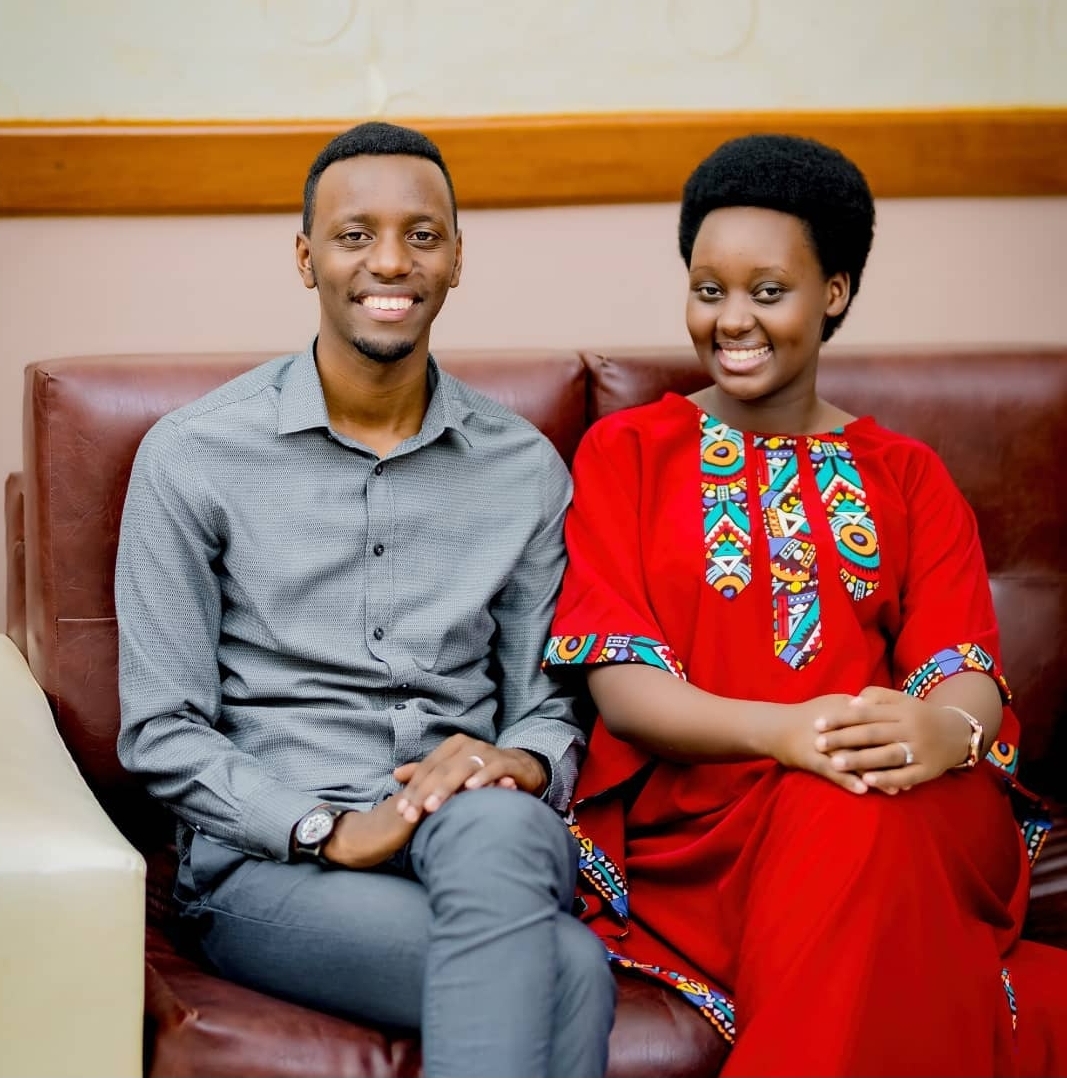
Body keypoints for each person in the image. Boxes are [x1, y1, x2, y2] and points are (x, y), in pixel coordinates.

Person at [543, 133, 1067, 1076]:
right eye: (709, 290)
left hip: (902, 795)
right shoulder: (628, 453)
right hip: (710, 830)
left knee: (862, 808)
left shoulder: (906, 474)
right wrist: (785, 735)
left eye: (767, 291)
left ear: (832, 292)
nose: (731, 319)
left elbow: (964, 674)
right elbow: (623, 692)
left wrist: (941, 732)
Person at [115, 120, 614, 1078]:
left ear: (457, 257)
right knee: (568, 970)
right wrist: (329, 829)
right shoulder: (192, 455)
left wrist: (514, 761)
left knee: (508, 823)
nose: (390, 262)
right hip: (272, 862)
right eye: (355, 235)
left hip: (472, 831)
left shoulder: (521, 469)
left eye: (421, 235)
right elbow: (162, 731)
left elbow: (546, 706)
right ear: (306, 258)